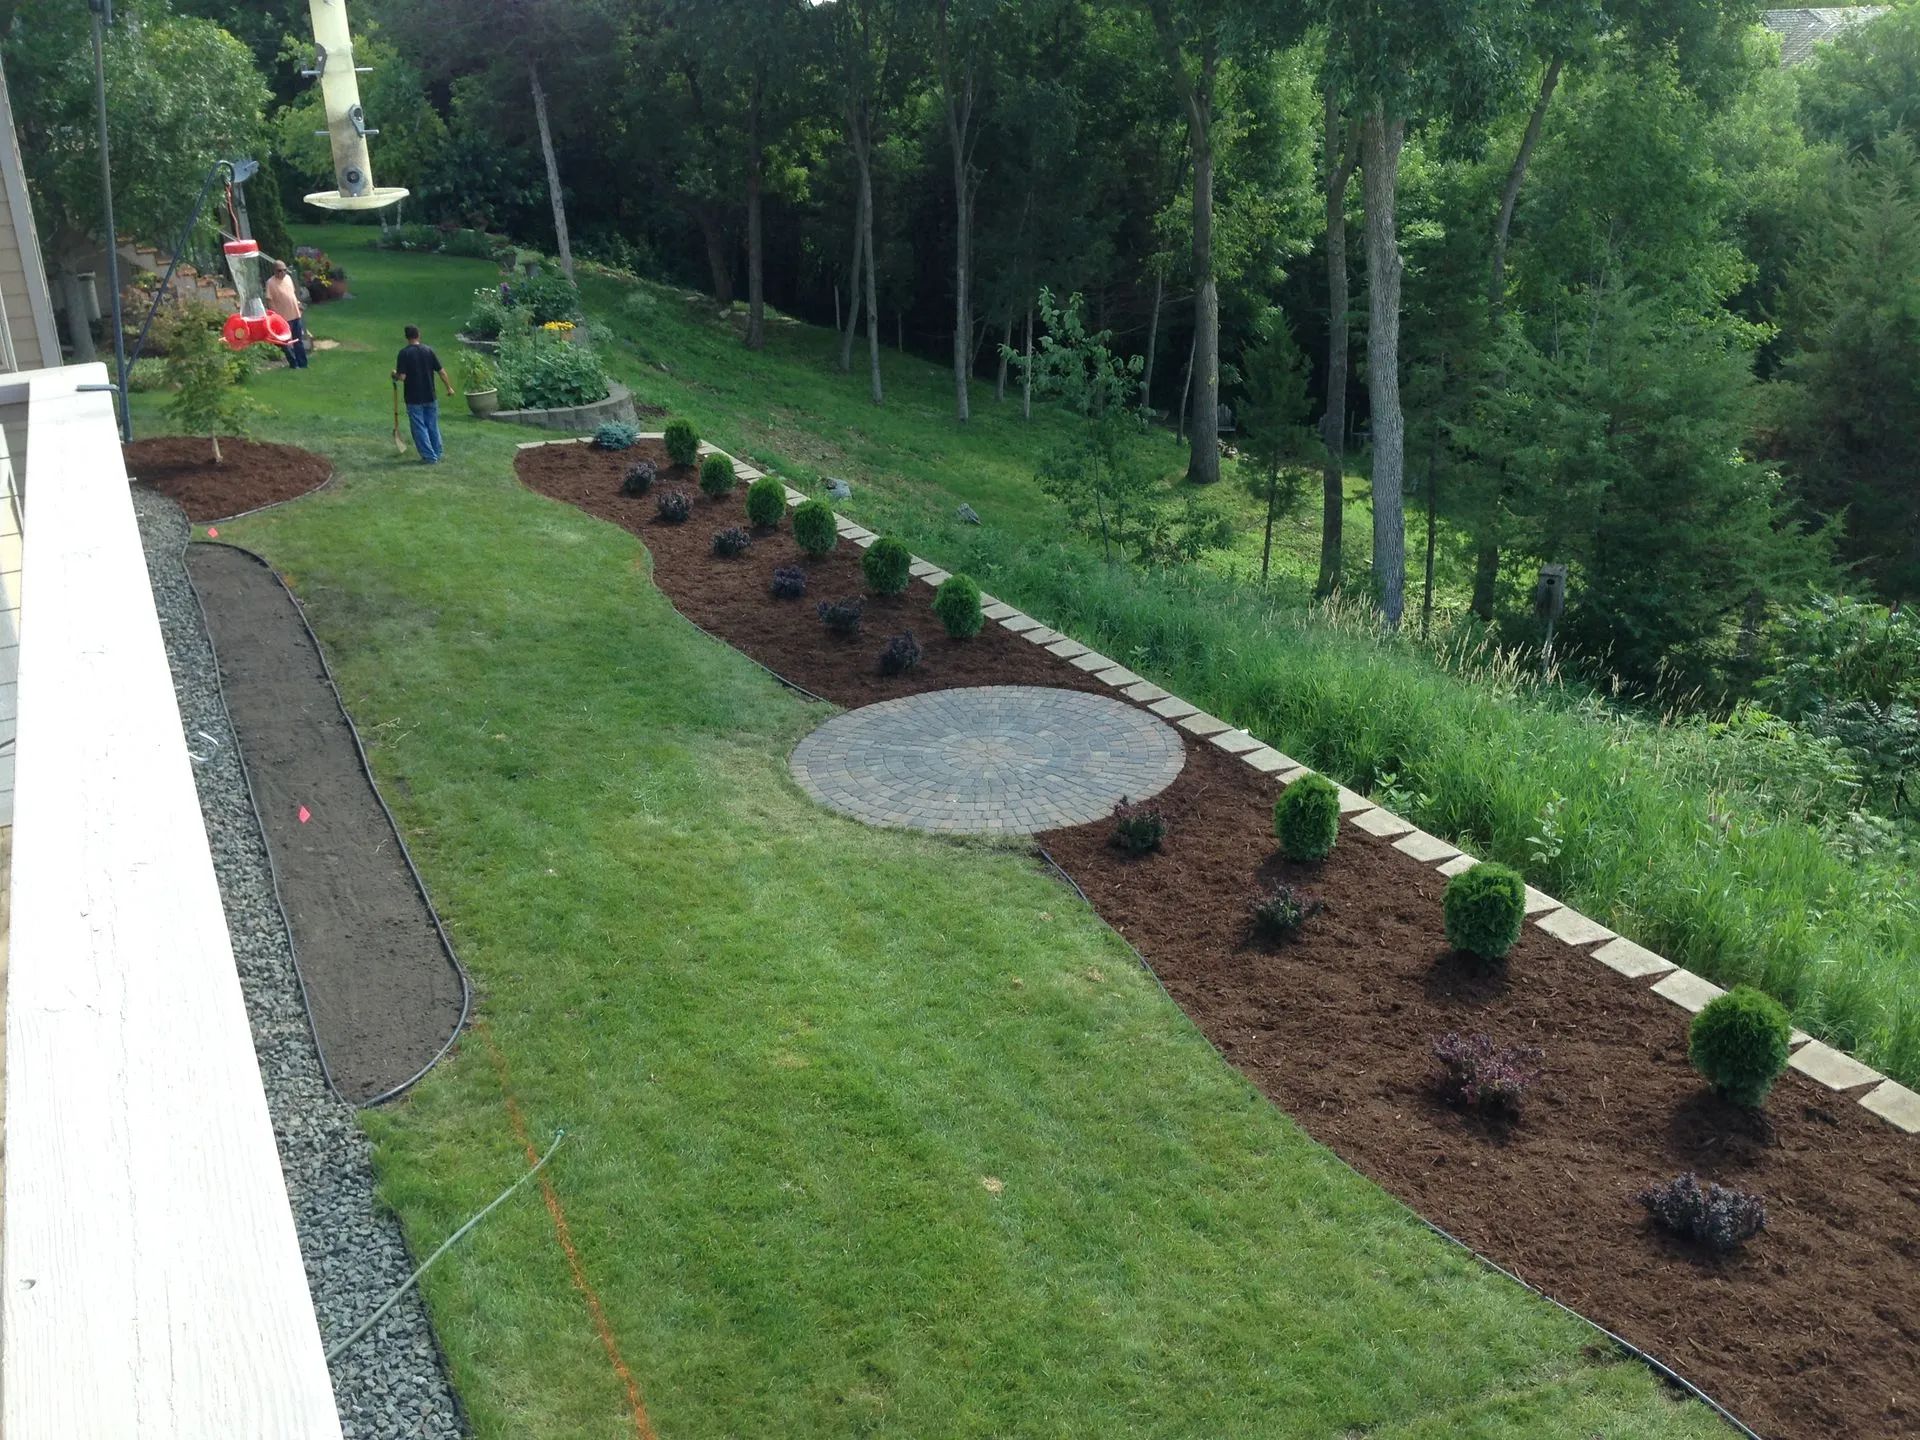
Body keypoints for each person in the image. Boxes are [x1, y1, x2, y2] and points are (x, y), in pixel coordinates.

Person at [392, 324, 454, 464]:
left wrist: (394, 375)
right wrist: (449, 388)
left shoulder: (404, 353)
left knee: (419, 427)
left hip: (413, 398)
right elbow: (441, 371)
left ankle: (429, 457)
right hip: (430, 396)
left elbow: (402, 377)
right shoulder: (428, 351)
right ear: (418, 335)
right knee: (432, 425)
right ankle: (437, 453)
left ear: (407, 337)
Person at [266, 258, 307, 369]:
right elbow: (269, 300)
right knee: (285, 343)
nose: (282, 272)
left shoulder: (288, 279)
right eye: (279, 270)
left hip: (295, 314)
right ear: (274, 271)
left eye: (284, 270)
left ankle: (303, 363)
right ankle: (293, 363)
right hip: (283, 318)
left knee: (298, 340)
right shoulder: (270, 283)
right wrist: (275, 317)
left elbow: (292, 294)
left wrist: (298, 304)